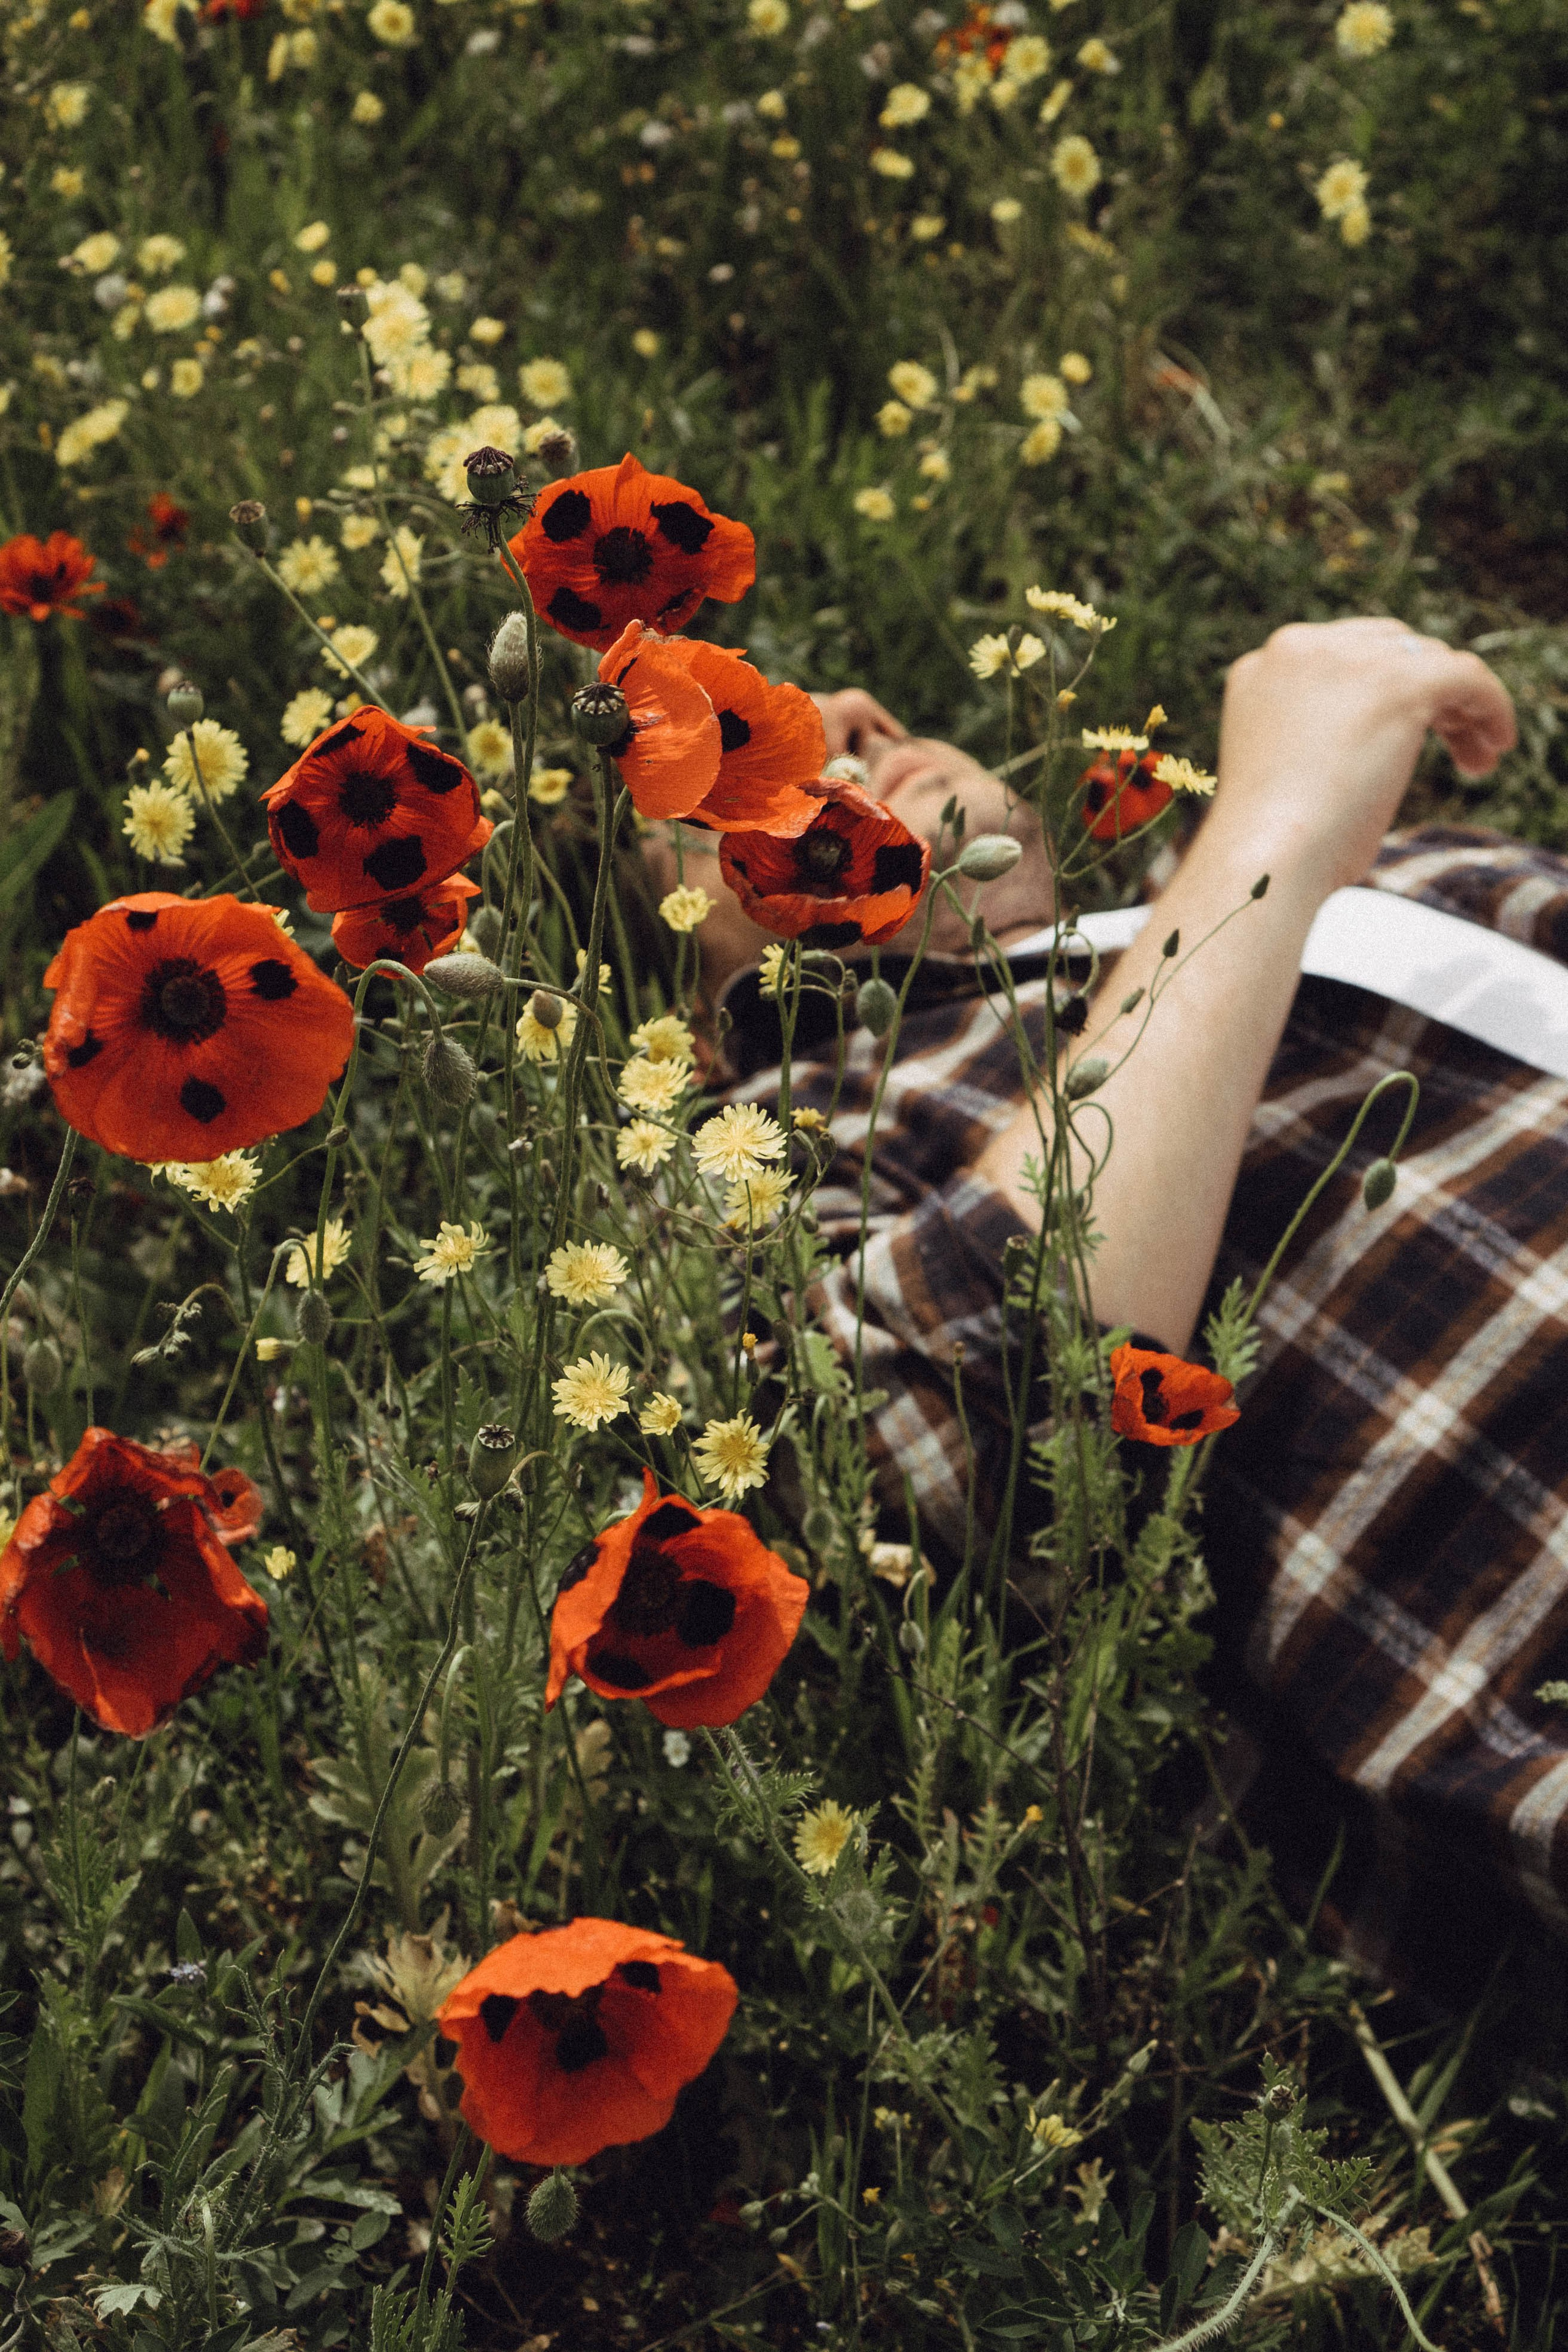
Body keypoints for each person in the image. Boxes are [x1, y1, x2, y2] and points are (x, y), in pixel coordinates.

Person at [650, 619, 1568, 2010]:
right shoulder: (773, 1137)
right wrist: (1270, 822)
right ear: (676, 972)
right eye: (717, 749)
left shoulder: (1401, 867)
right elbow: (958, 1444)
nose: (837, 708)